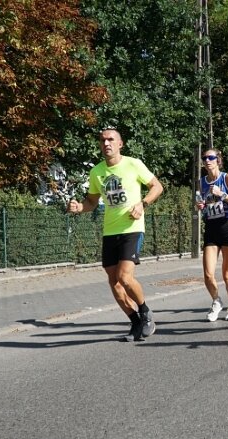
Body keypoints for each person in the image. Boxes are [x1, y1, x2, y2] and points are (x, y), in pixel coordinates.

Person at [67, 127, 164, 342]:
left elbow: (157, 187)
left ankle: (145, 313)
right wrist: (78, 208)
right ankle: (135, 322)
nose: (106, 144)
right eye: (102, 140)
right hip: (110, 231)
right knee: (115, 283)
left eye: (111, 139)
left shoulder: (133, 164)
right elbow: (91, 202)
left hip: (132, 228)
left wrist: (143, 204)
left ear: (121, 144)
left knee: (124, 277)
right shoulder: (96, 172)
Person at [196, 149, 228, 322]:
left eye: (211, 157)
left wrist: (222, 194)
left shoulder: (227, 178)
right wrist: (200, 205)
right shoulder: (201, 182)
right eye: (204, 158)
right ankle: (216, 301)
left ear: (218, 160)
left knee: (227, 274)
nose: (207, 160)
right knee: (208, 274)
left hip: (227, 227)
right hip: (211, 228)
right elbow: (203, 202)